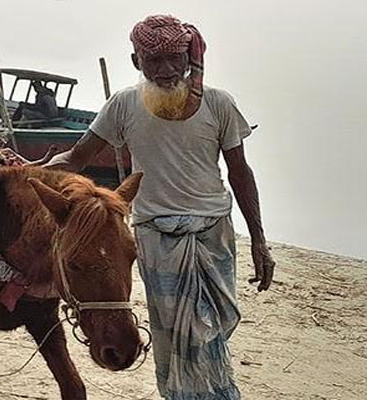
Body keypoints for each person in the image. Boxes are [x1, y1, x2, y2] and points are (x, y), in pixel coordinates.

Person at [45, 14, 276, 400]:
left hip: (213, 232)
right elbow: (77, 156)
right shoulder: (123, 106)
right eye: (155, 61)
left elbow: (240, 172)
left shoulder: (219, 104)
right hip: (156, 235)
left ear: (189, 58)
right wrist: (28, 171)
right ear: (137, 62)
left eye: (175, 59)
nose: (167, 71)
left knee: (214, 326)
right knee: (172, 334)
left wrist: (259, 239)